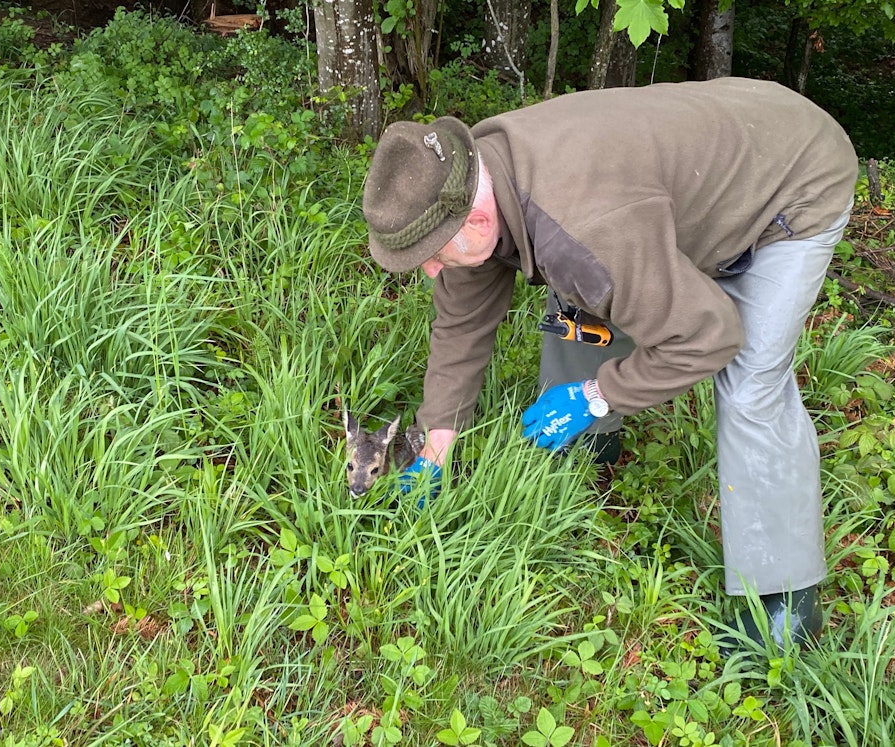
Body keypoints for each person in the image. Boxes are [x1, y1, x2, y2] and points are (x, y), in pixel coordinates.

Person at [361, 77, 858, 653]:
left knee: (750, 380)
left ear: (473, 224)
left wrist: (594, 394)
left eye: (431, 256)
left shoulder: (585, 226)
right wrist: (437, 443)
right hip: (703, 161)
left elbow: (707, 337)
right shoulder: (469, 182)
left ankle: (785, 598)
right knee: (585, 292)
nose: (429, 271)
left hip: (790, 178)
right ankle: (592, 445)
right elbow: (461, 323)